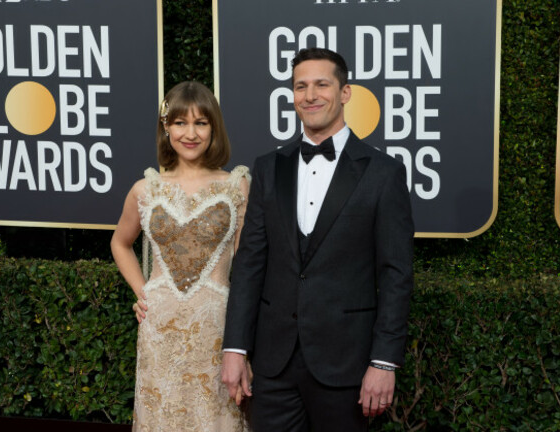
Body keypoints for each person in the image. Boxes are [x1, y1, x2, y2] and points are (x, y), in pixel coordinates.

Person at [221, 47, 414, 432]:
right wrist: (235, 348)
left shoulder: (383, 173)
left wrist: (384, 362)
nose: (310, 95)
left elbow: (396, 274)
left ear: (345, 92)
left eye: (321, 84)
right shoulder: (268, 168)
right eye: (300, 86)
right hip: (272, 367)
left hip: (348, 366)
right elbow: (249, 264)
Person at [111, 81, 250, 431]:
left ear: (214, 128)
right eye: (180, 123)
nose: (190, 133)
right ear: (166, 128)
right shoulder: (146, 189)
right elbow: (119, 243)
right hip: (159, 331)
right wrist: (144, 292)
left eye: (201, 122)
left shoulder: (237, 186)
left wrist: (245, 342)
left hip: (218, 330)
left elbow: (250, 268)